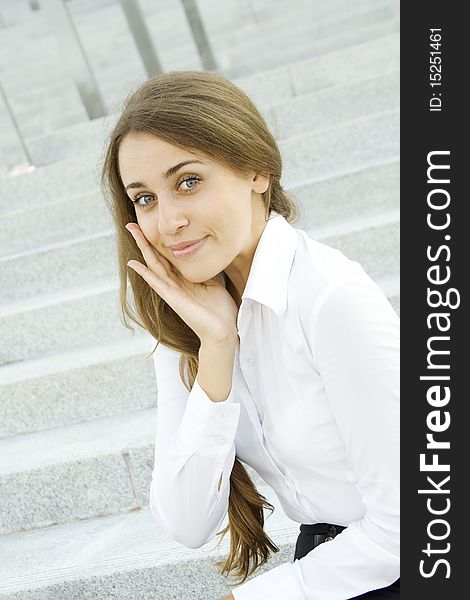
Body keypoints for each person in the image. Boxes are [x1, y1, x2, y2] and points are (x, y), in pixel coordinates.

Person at [100, 70, 400, 599]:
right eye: (144, 199)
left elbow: (411, 529)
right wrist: (216, 349)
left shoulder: (331, 299)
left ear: (257, 170)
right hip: (329, 562)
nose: (167, 221)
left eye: (187, 181)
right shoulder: (187, 323)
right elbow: (187, 523)